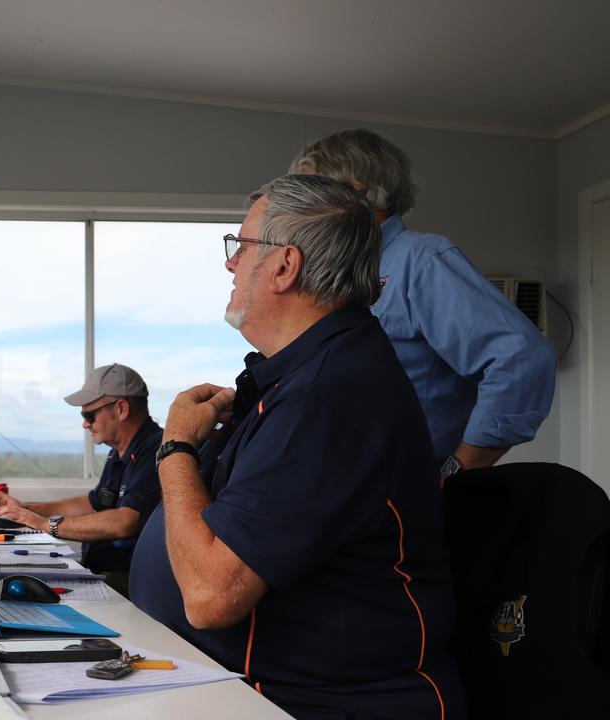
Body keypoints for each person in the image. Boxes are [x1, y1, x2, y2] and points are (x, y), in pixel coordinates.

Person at [130, 175, 464, 719]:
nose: (231, 263)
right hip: (231, 682)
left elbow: (212, 596)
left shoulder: (324, 398)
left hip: (305, 705)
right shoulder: (306, 377)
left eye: (241, 245)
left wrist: (175, 448)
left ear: (285, 266)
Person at [293, 128, 556, 481]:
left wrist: (457, 470)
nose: (300, 209)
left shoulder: (420, 259)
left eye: (312, 193)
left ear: (356, 191)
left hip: (405, 486)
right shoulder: (340, 270)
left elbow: (521, 359)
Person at [0, 363, 162, 596]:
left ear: (121, 409)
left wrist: (44, 524)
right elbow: (92, 503)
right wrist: (25, 510)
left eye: (89, 415)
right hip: (102, 570)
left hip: (130, 581)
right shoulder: (118, 453)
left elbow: (125, 522)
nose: (85, 424)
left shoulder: (156, 452)